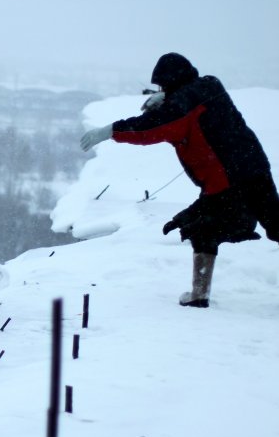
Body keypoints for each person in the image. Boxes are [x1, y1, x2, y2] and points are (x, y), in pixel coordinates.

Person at [81, 52, 279, 308]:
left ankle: (199, 295)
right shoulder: (210, 86)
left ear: (170, 83)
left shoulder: (181, 106)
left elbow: (149, 129)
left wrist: (109, 131)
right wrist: (168, 98)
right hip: (255, 168)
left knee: (203, 228)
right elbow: (187, 101)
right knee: (275, 224)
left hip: (226, 181)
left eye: (163, 86)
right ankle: (199, 294)